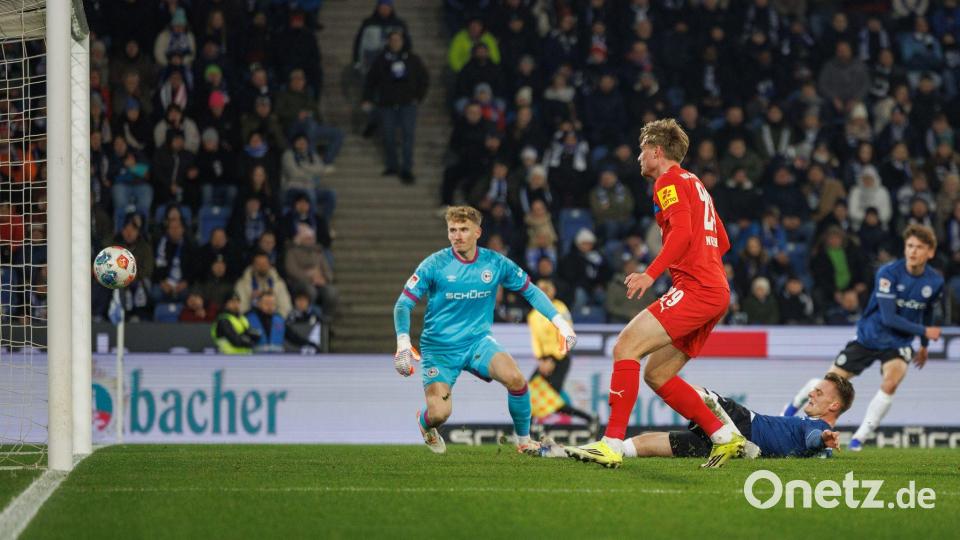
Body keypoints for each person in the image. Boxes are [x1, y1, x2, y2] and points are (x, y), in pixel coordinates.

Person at [565, 118, 742, 469]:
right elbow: (721, 239)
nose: (638, 158)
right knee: (657, 375)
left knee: (624, 347)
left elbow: (682, 233)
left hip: (697, 289)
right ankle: (724, 436)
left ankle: (611, 443)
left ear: (657, 151)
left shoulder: (668, 180)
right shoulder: (696, 183)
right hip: (715, 290)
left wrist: (651, 273)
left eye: (642, 150)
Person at [393, 206, 577, 455]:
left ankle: (523, 440)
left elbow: (530, 291)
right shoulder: (434, 265)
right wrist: (403, 342)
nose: (457, 236)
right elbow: (404, 303)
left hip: (477, 343)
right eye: (452, 230)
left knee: (516, 379)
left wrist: (561, 323)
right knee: (440, 413)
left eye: (463, 230)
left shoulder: (495, 263)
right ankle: (425, 423)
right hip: (440, 350)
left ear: (478, 232)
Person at [782, 225, 944, 451]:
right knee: (828, 384)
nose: (913, 251)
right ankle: (785, 414)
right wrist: (925, 332)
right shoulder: (888, 273)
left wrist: (924, 346)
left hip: (898, 343)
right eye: (909, 246)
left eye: (919, 247)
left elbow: (927, 311)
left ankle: (858, 440)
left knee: (890, 382)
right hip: (869, 337)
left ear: (931, 252)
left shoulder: (934, 282)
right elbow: (889, 317)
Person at [598, 375, 854, 460]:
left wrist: (823, 439)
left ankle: (612, 444)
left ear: (833, 405)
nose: (811, 393)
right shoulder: (815, 431)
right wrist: (824, 447)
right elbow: (815, 448)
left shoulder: (818, 427)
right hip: (736, 443)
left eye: (818, 393)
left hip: (743, 424)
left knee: (690, 390)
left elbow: (813, 439)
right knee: (655, 443)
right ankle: (612, 450)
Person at [527, 279, 598, 436]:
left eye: (548, 289)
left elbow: (567, 332)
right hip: (544, 361)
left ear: (553, 291)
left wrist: (554, 358)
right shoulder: (533, 314)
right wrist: (541, 360)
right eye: (541, 289)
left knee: (551, 397)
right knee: (529, 392)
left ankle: (530, 429)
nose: (545, 292)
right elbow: (535, 340)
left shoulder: (559, 308)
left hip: (560, 358)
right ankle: (588, 418)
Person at [362, 31, 429, 183]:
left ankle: (406, 169)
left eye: (398, 40)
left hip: (407, 104)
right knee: (388, 135)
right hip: (387, 104)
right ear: (388, 42)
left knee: (408, 136)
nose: (395, 43)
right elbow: (371, 80)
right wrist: (367, 98)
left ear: (403, 41)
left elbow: (424, 78)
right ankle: (392, 165)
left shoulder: (412, 59)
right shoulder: (381, 60)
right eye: (392, 40)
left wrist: (418, 97)